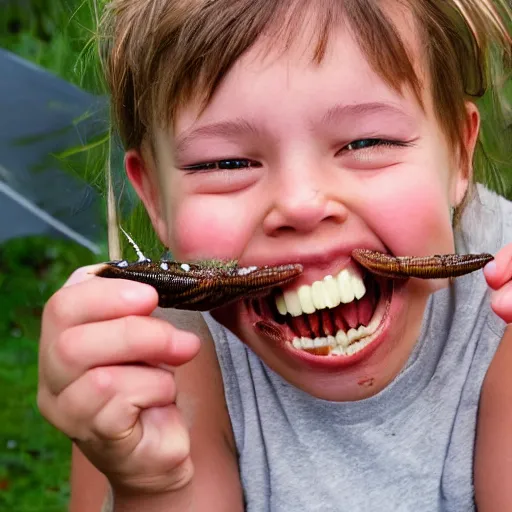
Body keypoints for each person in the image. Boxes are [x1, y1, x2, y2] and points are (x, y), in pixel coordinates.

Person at [37, 0, 512, 510]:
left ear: (460, 154)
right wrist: (153, 484)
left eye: (366, 141)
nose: (300, 204)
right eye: (226, 162)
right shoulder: (145, 358)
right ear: (155, 198)